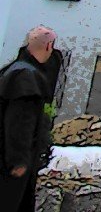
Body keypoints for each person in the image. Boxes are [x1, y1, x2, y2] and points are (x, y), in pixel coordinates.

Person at [0, 28, 61, 212]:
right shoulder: (26, 77)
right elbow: (19, 121)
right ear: (49, 46)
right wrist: (18, 160)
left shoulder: (14, 70)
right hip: (10, 164)